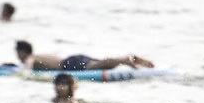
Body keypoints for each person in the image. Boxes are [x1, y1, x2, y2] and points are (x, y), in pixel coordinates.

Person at [15, 40, 154, 72]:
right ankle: (129, 59)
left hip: (68, 65)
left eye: (17, 52)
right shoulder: (40, 55)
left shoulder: (30, 58)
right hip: (71, 59)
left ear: (22, 52)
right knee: (100, 63)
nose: (17, 55)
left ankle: (124, 60)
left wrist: (21, 73)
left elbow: (26, 69)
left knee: (98, 65)